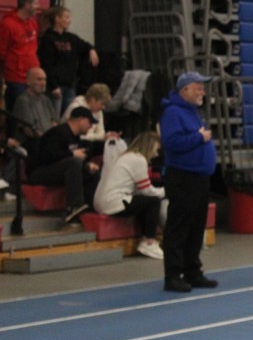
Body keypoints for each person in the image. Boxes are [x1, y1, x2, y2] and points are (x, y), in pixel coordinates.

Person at [160, 71, 218, 293]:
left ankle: (192, 271)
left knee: (196, 227)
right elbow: (172, 142)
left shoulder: (191, 112)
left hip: (198, 177)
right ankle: (173, 275)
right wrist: (199, 138)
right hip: (183, 177)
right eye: (198, 88)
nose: (202, 92)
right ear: (184, 89)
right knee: (179, 227)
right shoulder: (173, 113)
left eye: (203, 88)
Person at [93, 131, 166, 259]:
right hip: (113, 201)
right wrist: (166, 191)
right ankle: (149, 241)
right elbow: (147, 191)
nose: (155, 154)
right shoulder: (138, 159)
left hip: (102, 201)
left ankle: (146, 239)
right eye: (156, 149)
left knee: (144, 201)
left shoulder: (125, 156)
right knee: (153, 202)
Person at [26, 106, 100, 223]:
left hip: (59, 170)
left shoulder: (75, 137)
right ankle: (74, 206)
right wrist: (71, 154)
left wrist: (87, 165)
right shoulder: (57, 133)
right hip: (39, 171)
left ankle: (91, 206)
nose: (91, 126)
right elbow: (48, 156)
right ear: (80, 119)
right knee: (74, 162)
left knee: (90, 171)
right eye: (89, 122)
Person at [37, 6, 99, 113]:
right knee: (54, 115)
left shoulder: (70, 38)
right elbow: (47, 64)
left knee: (70, 114)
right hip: (55, 85)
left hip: (69, 85)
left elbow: (85, 45)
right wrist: (53, 85)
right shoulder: (48, 38)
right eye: (66, 17)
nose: (69, 20)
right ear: (57, 19)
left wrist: (91, 50)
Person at [0, 0, 41, 113]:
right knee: (17, 113)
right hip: (15, 77)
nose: (38, 7)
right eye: (36, 3)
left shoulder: (33, 23)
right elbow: (2, 52)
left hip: (32, 77)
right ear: (27, 5)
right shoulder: (8, 25)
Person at [11, 67, 58, 150]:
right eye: (39, 79)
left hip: (49, 141)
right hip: (33, 143)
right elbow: (29, 131)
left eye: (45, 79)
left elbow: (54, 122)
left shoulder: (46, 100)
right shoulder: (23, 100)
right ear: (28, 81)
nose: (43, 83)